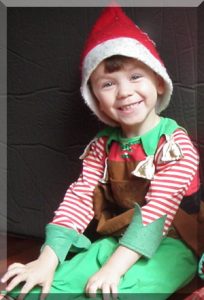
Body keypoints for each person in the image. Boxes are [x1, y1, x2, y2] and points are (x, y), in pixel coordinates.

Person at [1, 3, 203, 300]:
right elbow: (81, 197)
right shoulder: (101, 146)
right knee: (52, 281)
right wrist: (46, 260)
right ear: (95, 98)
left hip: (176, 240)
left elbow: (157, 211)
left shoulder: (175, 145)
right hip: (119, 235)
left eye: (136, 77)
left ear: (158, 82)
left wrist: (113, 270)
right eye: (108, 84)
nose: (124, 92)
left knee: (125, 288)